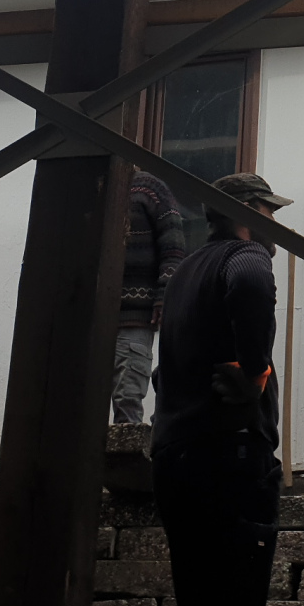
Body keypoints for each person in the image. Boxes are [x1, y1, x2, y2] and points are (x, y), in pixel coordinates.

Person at [152, 173, 293, 606]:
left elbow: (164, 370)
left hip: (175, 459)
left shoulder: (184, 274)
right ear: (247, 212)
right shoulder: (245, 254)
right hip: (229, 455)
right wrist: (254, 371)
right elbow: (251, 282)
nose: (275, 224)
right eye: (269, 211)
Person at [112, 169, 185, 424]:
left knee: (128, 399)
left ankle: (128, 450)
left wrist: (164, 296)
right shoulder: (90, 186)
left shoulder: (150, 188)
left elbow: (173, 248)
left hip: (135, 315)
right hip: (90, 318)